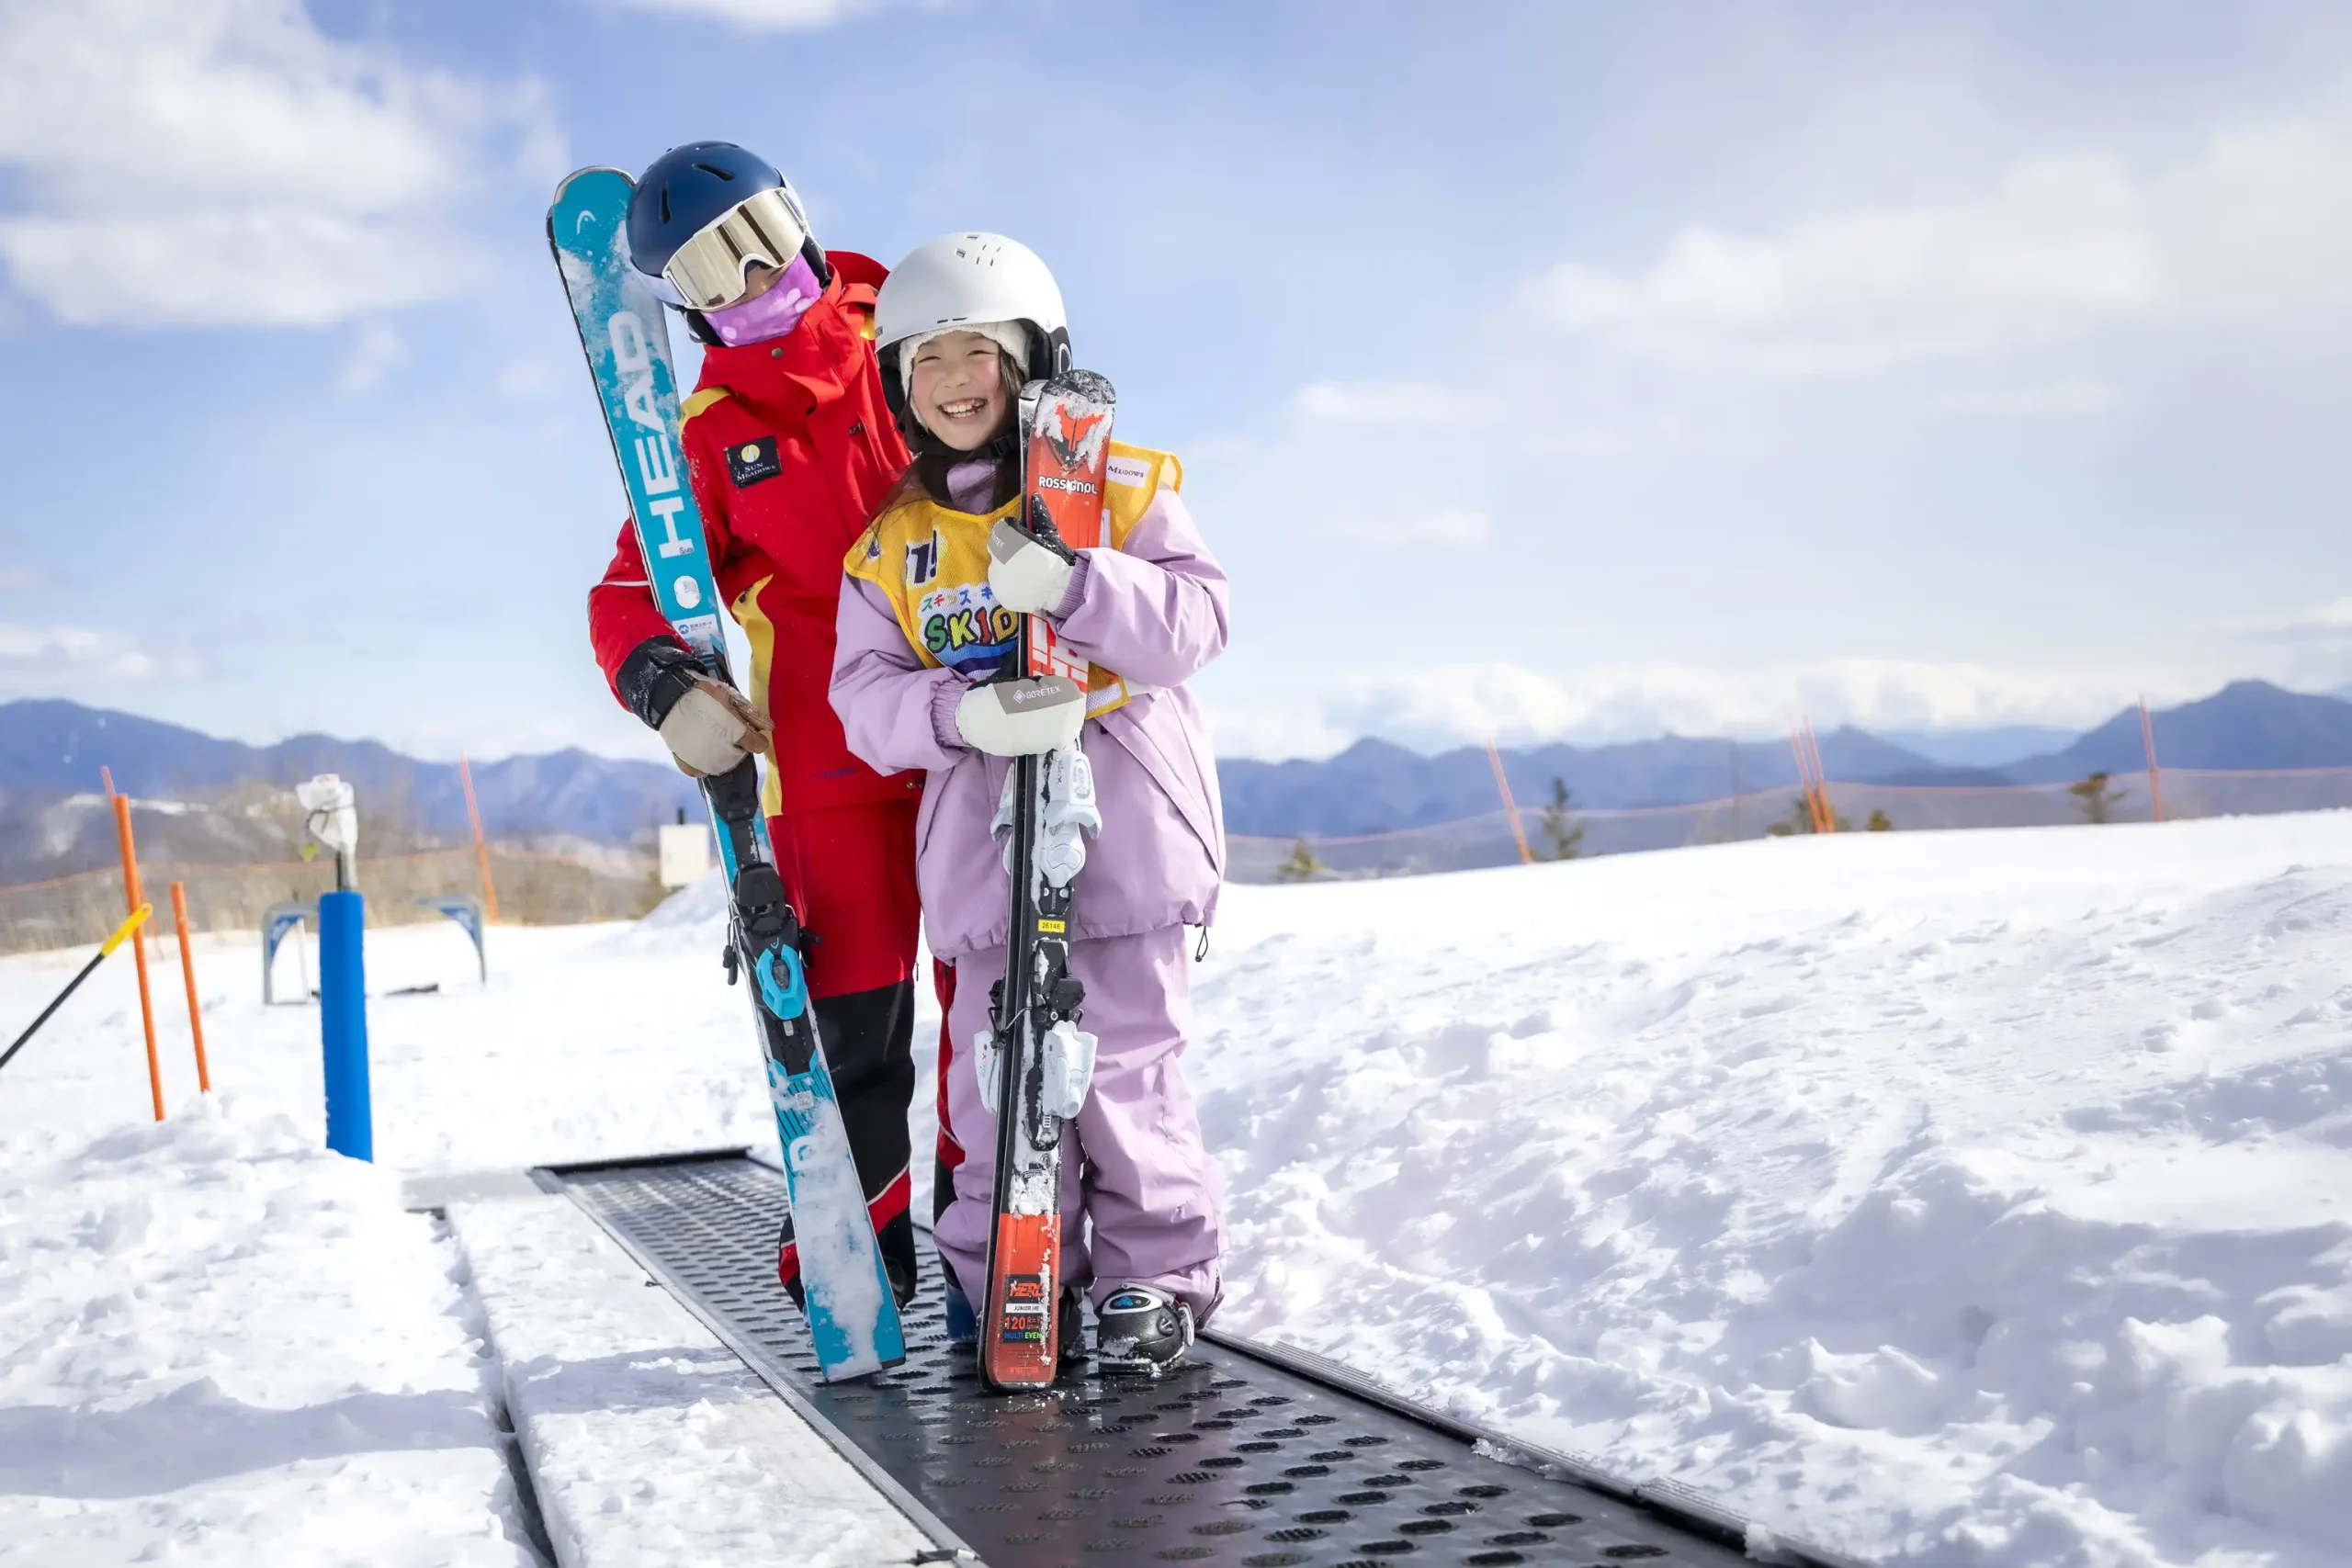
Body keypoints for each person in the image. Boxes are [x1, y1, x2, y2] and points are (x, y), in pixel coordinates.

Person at [828, 232, 1228, 1373]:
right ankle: (1012, 1276)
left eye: (977, 352)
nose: (954, 380)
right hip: (983, 853)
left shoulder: (1126, 489)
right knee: (992, 1080)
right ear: (899, 387)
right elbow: (861, 697)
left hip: (1126, 835)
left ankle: (1154, 1278)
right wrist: (959, 716)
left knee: (1125, 1071)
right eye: (926, 360)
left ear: (1032, 357)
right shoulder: (893, 548)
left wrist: (1078, 584)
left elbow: (1197, 624)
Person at [585, 142, 922, 1308]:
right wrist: (663, 683)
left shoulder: (915, 335)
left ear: (798, 218)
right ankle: (855, 1247)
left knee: (1003, 1003)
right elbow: (629, 589)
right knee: (857, 1026)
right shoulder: (709, 433)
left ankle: (1007, 1247)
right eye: (707, 270)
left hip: (971, 725)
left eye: (756, 239)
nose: (749, 276)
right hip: (826, 764)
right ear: (680, 301)